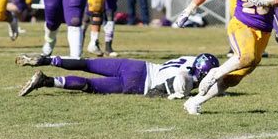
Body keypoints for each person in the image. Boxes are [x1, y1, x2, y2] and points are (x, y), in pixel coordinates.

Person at [16, 52, 220, 99]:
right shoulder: (189, 76)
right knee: (89, 85)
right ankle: (46, 81)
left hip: (136, 65)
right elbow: (155, 93)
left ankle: (47, 60)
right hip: (138, 83)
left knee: (87, 63)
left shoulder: (190, 58)